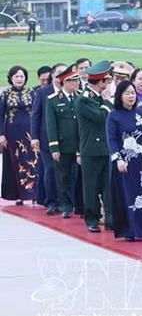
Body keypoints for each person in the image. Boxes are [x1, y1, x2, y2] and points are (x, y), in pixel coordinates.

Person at [107, 80, 142, 241]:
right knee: (128, 195)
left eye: (133, 93)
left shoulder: (141, 112)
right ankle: (130, 230)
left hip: (141, 161)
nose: (131, 96)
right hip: (125, 162)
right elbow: (111, 139)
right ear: (120, 96)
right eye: (127, 93)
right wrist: (118, 159)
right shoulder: (113, 115)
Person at [74, 60, 114, 233]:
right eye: (106, 81)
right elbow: (100, 117)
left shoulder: (96, 97)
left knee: (108, 187)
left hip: (105, 149)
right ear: (100, 82)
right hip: (91, 149)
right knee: (91, 187)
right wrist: (107, 101)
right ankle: (92, 218)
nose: (107, 85)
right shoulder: (84, 100)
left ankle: (111, 218)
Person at [45, 64, 82, 218]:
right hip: (63, 145)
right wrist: (54, 147)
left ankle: (80, 205)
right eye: (74, 81)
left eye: (78, 80)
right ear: (65, 82)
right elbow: (51, 125)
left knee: (80, 177)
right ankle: (66, 205)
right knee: (63, 177)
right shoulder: (53, 100)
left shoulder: (81, 97)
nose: (77, 83)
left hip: (80, 145)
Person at [0, 66, 38, 204]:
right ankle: (17, 195)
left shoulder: (32, 92)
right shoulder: (5, 94)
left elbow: (37, 113)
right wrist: (1, 134)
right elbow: (0, 115)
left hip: (30, 132)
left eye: (22, 76)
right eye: (16, 76)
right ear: (11, 78)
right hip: (12, 133)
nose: (19, 79)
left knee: (31, 161)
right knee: (15, 161)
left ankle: (33, 193)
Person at [31, 63, 66, 214]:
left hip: (66, 138)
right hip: (46, 138)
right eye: (59, 73)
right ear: (52, 75)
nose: (61, 76)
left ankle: (64, 201)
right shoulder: (42, 92)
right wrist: (34, 137)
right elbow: (36, 115)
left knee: (65, 171)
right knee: (50, 169)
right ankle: (51, 201)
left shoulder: (70, 91)